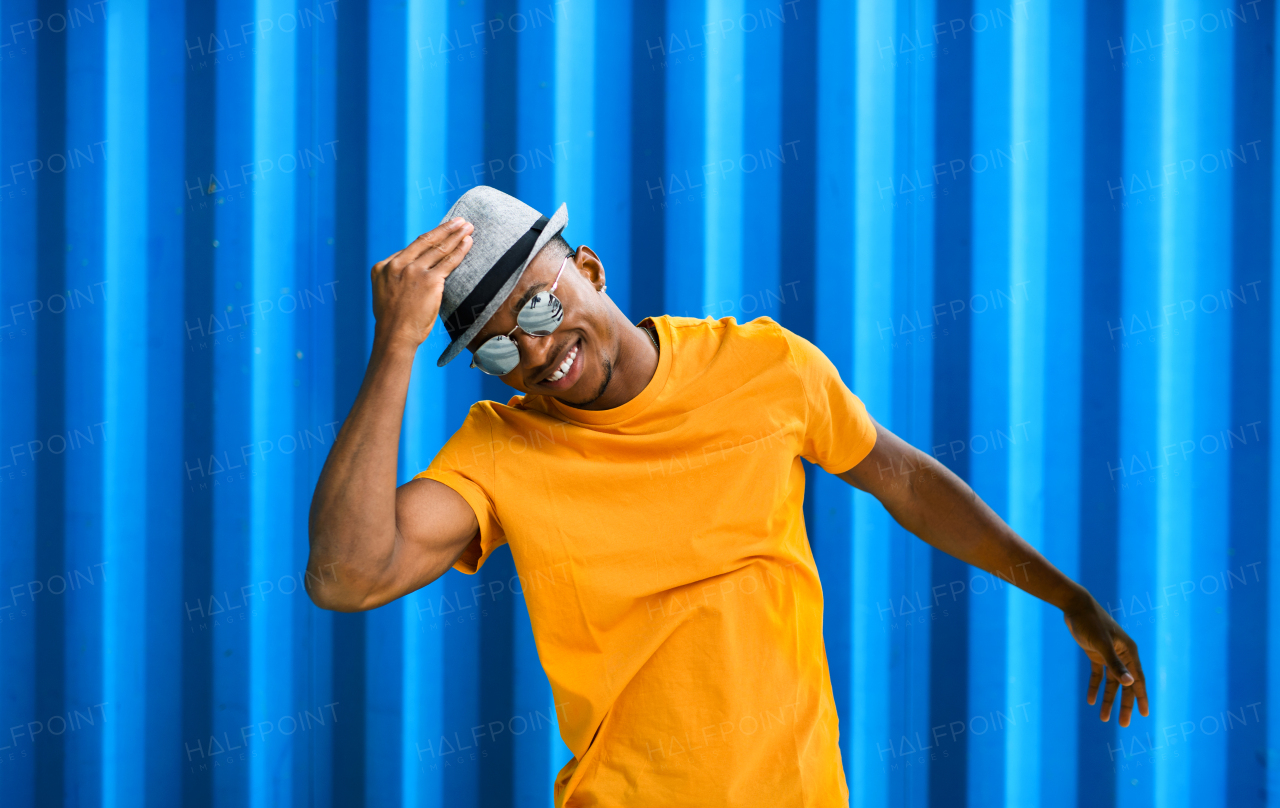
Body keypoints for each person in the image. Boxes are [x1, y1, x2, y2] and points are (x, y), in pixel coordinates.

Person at [307, 186, 1148, 807]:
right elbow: (347, 576)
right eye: (496, 353)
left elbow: (906, 481)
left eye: (538, 302)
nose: (534, 352)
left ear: (589, 268)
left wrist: (1063, 592)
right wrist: (397, 349)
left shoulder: (763, 369)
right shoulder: (502, 448)